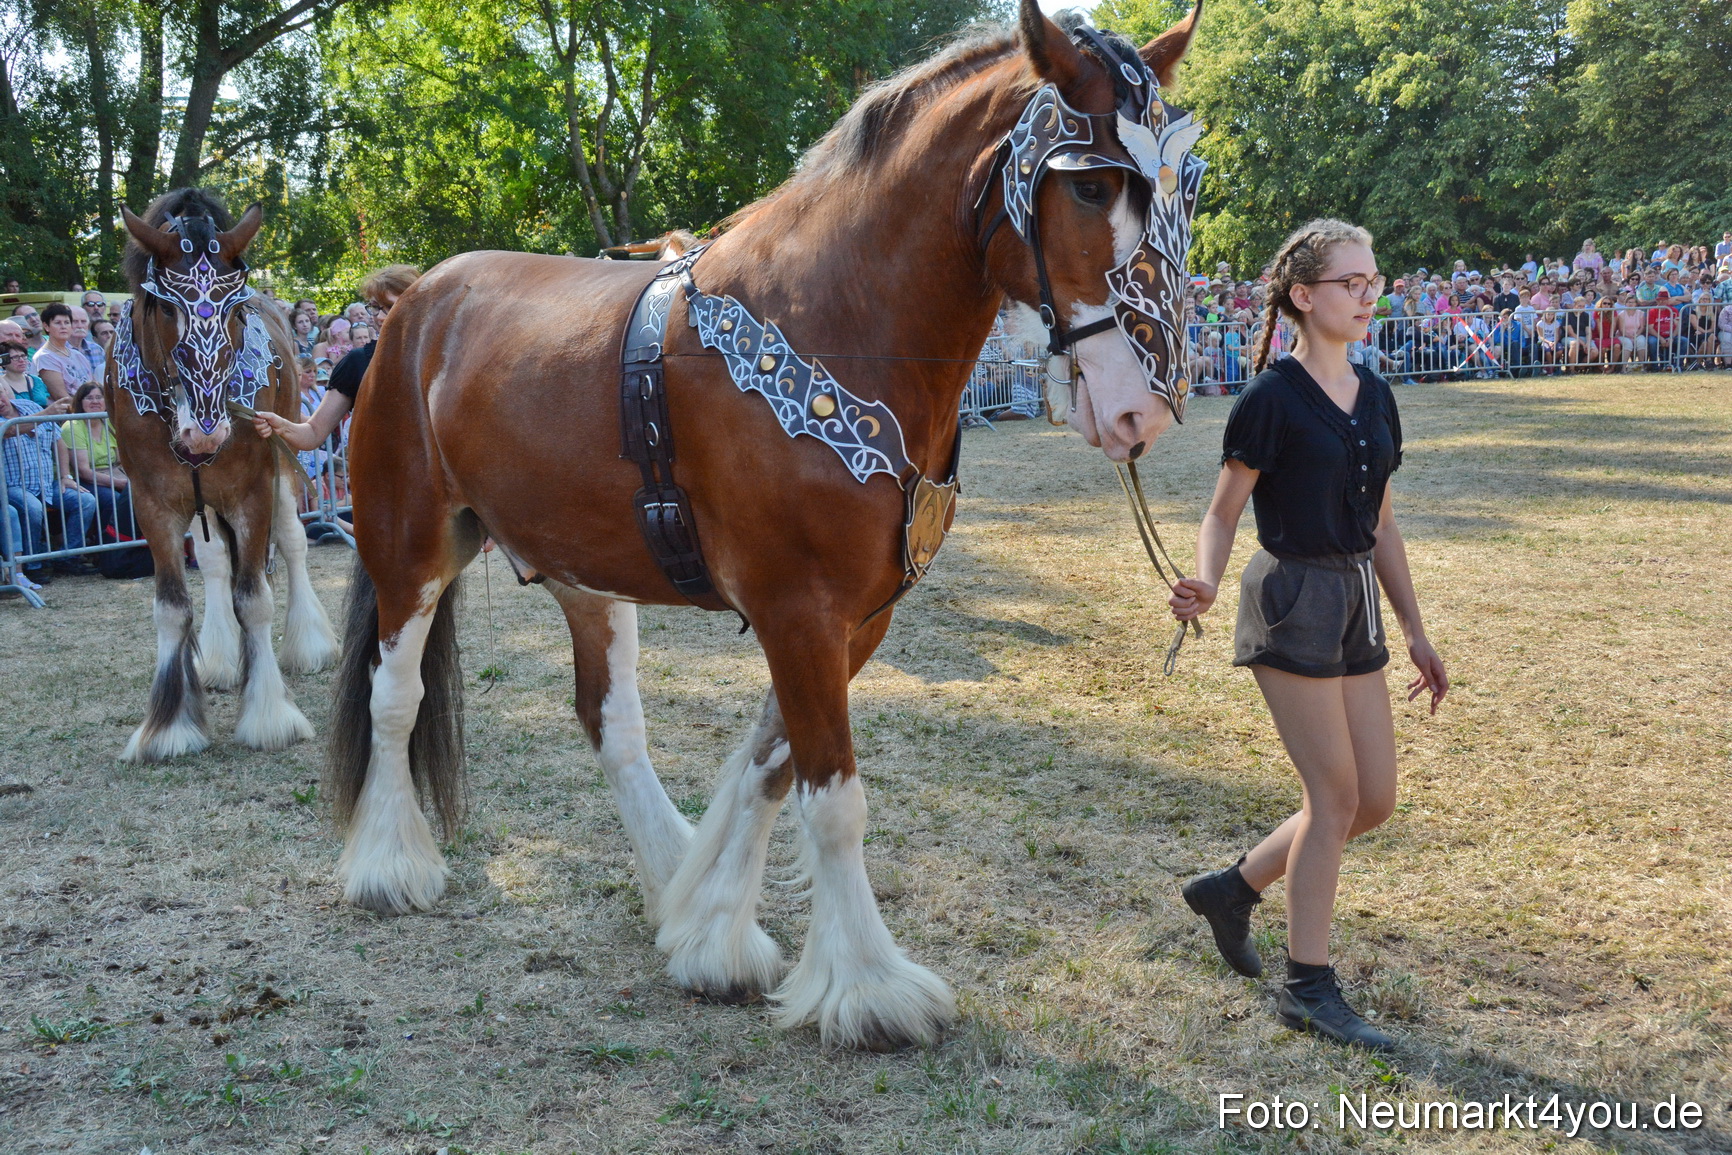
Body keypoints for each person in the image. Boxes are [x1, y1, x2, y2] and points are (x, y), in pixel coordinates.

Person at [1169, 219, 1447, 1053]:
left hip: (1356, 597)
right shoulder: (1271, 397)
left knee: (1374, 801)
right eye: (1351, 282)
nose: (1369, 294)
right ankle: (1308, 987)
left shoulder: (1379, 392)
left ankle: (1234, 888)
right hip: (1290, 597)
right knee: (1334, 799)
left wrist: (1416, 629)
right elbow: (1222, 512)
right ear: (1303, 295)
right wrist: (1208, 582)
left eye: (1374, 280)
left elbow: (1384, 527)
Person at [252, 264, 421, 453]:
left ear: (416, 304)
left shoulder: (444, 357)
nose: (380, 317)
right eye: (374, 307)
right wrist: (281, 425)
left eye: (389, 306)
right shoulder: (357, 361)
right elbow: (313, 433)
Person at [1, 390, 99, 578]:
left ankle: (68, 558)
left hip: (47, 483)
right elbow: (11, 430)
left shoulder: (29, 406)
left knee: (85, 500)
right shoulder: (41, 412)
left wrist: (65, 476)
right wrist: (48, 413)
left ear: (5, 391)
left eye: (0, 394)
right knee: (33, 507)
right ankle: (32, 564)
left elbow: (58, 441)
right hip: (13, 487)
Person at [64, 382, 132, 536]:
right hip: (83, 479)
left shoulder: (108, 422)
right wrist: (119, 483)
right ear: (80, 402)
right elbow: (83, 472)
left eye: (99, 397)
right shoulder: (72, 426)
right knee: (113, 499)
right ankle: (106, 544)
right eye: (89, 398)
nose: (95, 402)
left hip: (112, 472)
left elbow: (121, 460)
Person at [32, 303, 93, 402]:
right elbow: (61, 397)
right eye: (58, 323)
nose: (63, 326)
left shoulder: (78, 355)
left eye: (67, 322)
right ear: (46, 326)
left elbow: (93, 387)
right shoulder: (44, 358)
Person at [2, 340, 57, 409]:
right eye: (15, 357)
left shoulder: (36, 380)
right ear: (3, 361)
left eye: (23, 356)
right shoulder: (2, 384)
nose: (21, 360)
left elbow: (47, 402)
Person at [67, 306, 104, 388]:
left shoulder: (97, 349)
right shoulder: (60, 351)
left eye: (83, 321)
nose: (80, 326)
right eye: (75, 322)